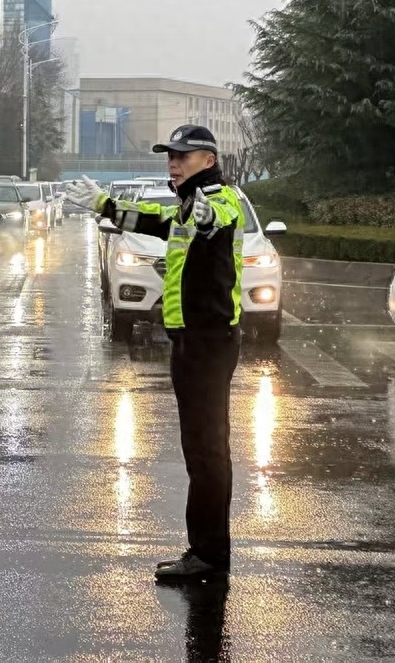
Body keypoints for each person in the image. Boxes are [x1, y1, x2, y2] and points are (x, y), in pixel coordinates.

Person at [65, 125, 244, 579]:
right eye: (170, 155)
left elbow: (218, 218)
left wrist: (206, 218)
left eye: (183, 156)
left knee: (207, 451)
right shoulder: (186, 206)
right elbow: (150, 219)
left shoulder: (219, 200)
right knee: (199, 450)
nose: (173, 162)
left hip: (209, 341)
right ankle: (203, 549)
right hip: (192, 340)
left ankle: (209, 556)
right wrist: (106, 205)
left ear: (208, 159)